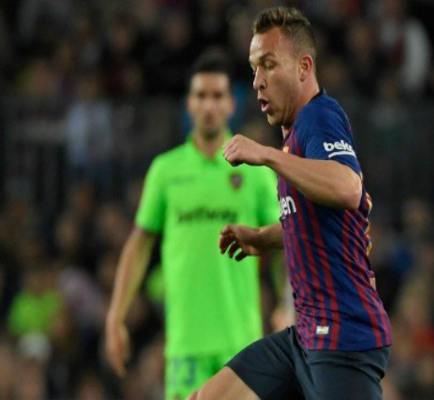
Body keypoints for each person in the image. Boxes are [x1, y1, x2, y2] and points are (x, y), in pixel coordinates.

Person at [190, 7, 392, 400]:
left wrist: (265, 155)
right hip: (304, 338)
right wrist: (262, 237)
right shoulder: (296, 136)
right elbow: (316, 222)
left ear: (303, 67)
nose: (257, 82)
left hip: (342, 339)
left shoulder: (318, 117)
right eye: (254, 69)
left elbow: (347, 187)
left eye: (268, 65)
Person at [105, 52, 279, 400]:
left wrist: (288, 303)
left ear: (231, 104)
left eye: (217, 95)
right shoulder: (166, 171)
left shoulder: (255, 172)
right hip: (186, 347)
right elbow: (139, 244)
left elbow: (284, 243)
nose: (209, 105)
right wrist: (115, 316)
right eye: (201, 95)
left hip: (241, 345)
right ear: (189, 103)